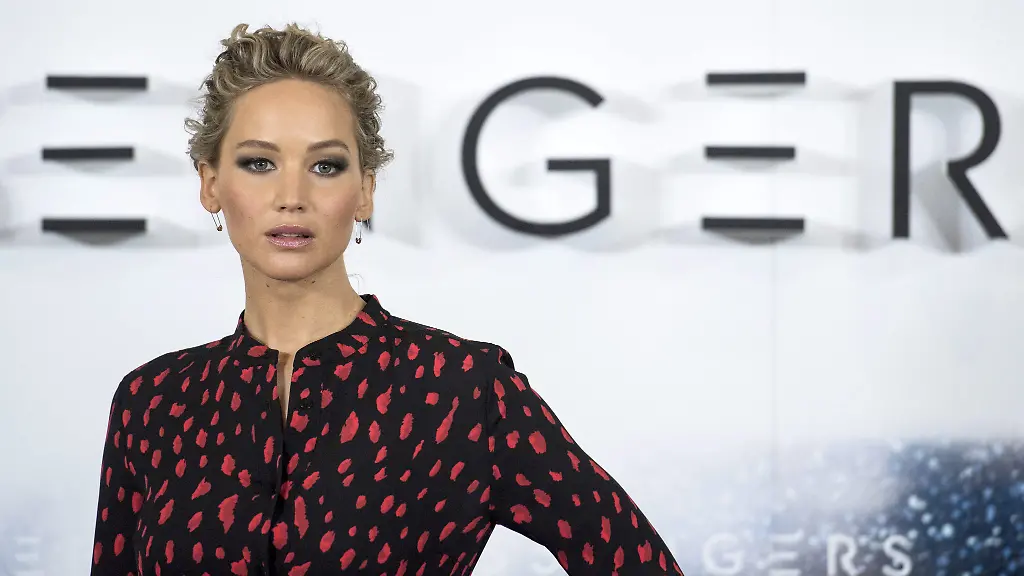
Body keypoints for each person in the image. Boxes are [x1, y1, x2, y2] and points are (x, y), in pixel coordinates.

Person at [89, 22, 684, 576]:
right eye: (259, 162)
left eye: (325, 165)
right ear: (210, 183)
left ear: (365, 190)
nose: (291, 195)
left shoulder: (462, 389)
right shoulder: (153, 402)